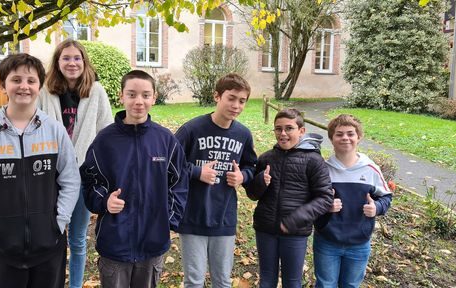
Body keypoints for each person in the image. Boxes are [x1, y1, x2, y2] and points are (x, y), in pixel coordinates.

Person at [0, 53, 81, 288]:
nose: (24, 86)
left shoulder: (55, 131)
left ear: (39, 86)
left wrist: (59, 222)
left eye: (31, 81)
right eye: (16, 80)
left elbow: (70, 180)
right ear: (3, 85)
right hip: (2, 249)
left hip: (49, 247)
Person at [80, 70, 189, 288]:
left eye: (145, 95)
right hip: (115, 243)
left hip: (152, 242)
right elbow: (89, 180)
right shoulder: (105, 140)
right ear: (121, 96)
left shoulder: (165, 140)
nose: (139, 101)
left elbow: (180, 181)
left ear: (154, 97)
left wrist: (169, 219)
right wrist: (105, 201)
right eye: (131, 94)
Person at [37, 39, 114, 288]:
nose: (72, 63)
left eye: (77, 58)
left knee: (78, 239)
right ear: (58, 63)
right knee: (52, 236)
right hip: (51, 176)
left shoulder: (97, 91)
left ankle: (76, 285)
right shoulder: (45, 92)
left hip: (83, 176)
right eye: (66, 58)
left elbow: (106, 132)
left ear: (84, 62)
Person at [174, 73, 257, 288]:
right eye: (231, 98)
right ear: (217, 96)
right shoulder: (191, 129)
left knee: (222, 280)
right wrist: (196, 172)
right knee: (194, 280)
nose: (236, 105)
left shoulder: (243, 134)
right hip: (192, 216)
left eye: (242, 101)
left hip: (224, 217)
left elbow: (251, 166)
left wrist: (242, 176)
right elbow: (169, 165)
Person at [245, 108, 333, 288]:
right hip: (265, 229)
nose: (283, 133)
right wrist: (261, 182)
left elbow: (324, 198)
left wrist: (295, 220)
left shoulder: (314, 161)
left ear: (301, 131)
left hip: (295, 233)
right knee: (266, 280)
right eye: (278, 129)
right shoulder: (266, 158)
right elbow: (252, 194)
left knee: (292, 282)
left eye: (289, 128)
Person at [313, 114, 393, 288]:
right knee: (325, 284)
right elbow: (310, 201)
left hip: (359, 242)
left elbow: (386, 196)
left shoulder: (371, 169)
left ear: (359, 137)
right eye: (339, 134)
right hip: (327, 241)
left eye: (350, 134)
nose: (345, 138)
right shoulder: (323, 170)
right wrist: (325, 206)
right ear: (332, 139)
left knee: (351, 285)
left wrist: (377, 207)